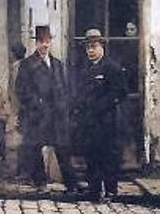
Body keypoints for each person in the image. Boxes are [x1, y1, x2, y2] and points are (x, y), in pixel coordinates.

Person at [16, 26, 76, 192]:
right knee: (35, 148)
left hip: (57, 115)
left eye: (47, 41)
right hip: (38, 115)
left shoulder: (57, 64)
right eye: (41, 41)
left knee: (62, 148)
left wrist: (64, 105)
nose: (45, 45)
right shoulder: (27, 65)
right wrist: (37, 103)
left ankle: (71, 184)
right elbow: (21, 90)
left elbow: (64, 87)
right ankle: (40, 182)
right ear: (36, 43)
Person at [76, 28, 126, 202]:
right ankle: (94, 189)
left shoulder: (111, 67)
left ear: (102, 47)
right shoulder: (85, 69)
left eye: (94, 46)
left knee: (108, 156)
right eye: (88, 47)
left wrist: (101, 106)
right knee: (91, 155)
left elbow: (120, 92)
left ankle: (111, 190)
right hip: (89, 121)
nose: (90, 50)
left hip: (106, 121)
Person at [7, 43, 27, 177]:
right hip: (20, 108)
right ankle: (20, 170)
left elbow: (15, 90)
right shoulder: (27, 65)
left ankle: (19, 170)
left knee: (17, 142)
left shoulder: (17, 67)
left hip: (18, 109)